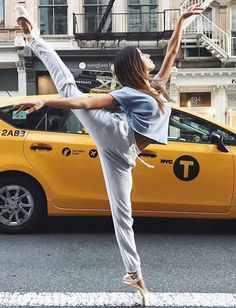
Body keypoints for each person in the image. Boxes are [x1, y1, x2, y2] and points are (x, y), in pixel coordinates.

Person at [14, 4, 203, 306]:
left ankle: (135, 275)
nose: (148, 56)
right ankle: (35, 39)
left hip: (124, 155)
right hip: (115, 133)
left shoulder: (155, 87)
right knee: (68, 88)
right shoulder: (129, 92)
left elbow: (171, 52)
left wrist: (181, 21)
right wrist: (45, 101)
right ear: (135, 65)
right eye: (142, 55)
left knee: (123, 215)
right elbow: (88, 104)